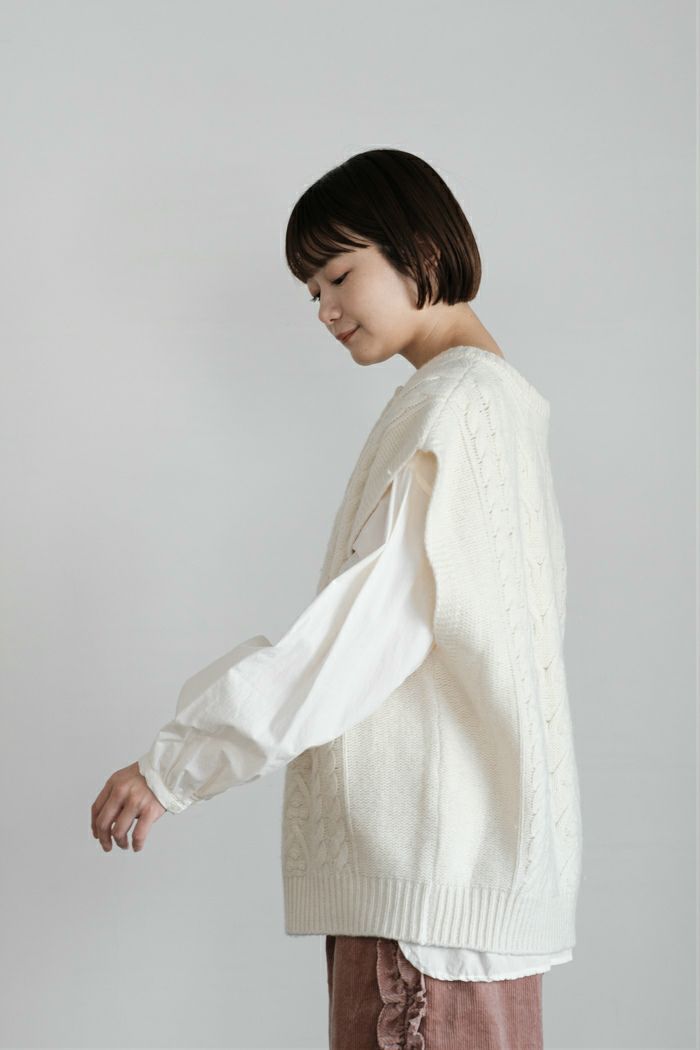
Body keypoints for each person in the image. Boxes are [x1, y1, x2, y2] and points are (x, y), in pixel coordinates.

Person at [91, 148, 582, 1049]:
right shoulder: (499, 407)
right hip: (468, 902)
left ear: (419, 248)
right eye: (311, 289)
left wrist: (179, 764)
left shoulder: (454, 410)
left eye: (340, 274)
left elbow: (365, 632)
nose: (324, 308)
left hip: (425, 912)